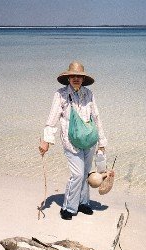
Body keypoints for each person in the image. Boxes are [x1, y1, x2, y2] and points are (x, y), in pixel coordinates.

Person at [39, 61, 107, 220]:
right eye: (73, 76)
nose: (76, 78)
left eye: (79, 76)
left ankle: (83, 203)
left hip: (89, 140)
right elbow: (52, 119)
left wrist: (102, 143)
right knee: (77, 174)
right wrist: (46, 141)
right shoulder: (61, 94)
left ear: (83, 79)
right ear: (68, 78)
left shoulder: (89, 94)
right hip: (71, 142)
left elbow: (96, 117)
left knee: (84, 173)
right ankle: (68, 207)